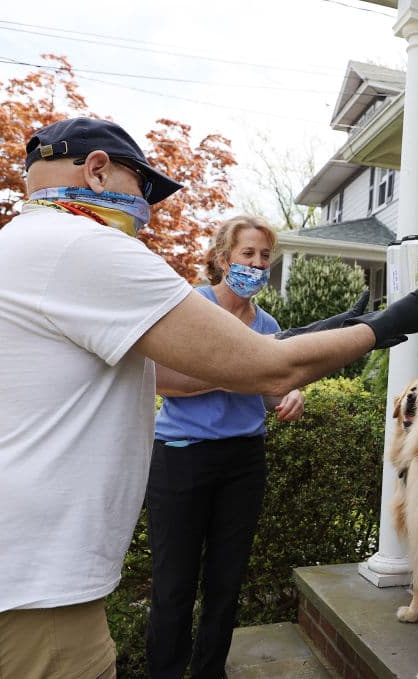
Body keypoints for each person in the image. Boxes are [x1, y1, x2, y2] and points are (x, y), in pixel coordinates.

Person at [0, 116, 418, 679]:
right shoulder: (80, 246)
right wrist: (384, 326)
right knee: (176, 587)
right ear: (98, 171)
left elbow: (253, 357)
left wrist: (321, 333)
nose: (145, 209)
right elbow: (264, 366)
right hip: (18, 604)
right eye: (142, 188)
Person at [144, 214, 330, 679]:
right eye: (248, 254)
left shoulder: (268, 325)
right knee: (173, 585)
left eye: (265, 256)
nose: (258, 263)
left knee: (226, 584)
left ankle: (209, 672)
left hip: (243, 462)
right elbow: (161, 379)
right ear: (224, 259)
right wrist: (238, 372)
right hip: (181, 457)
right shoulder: (191, 307)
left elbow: (268, 391)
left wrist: (288, 393)